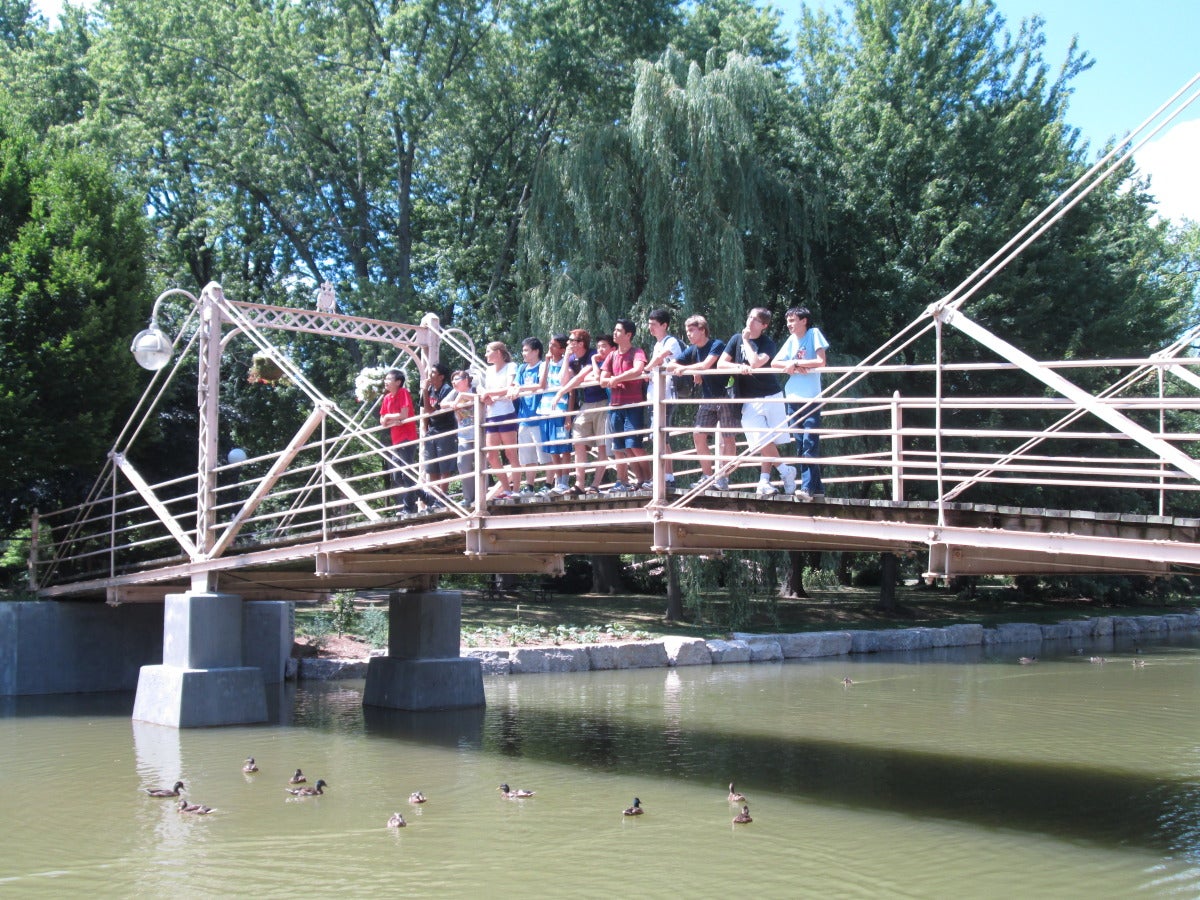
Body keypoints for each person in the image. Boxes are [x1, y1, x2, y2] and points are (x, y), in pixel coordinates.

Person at [719, 307, 797, 496]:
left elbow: (755, 363)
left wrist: (747, 341)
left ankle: (764, 481)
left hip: (771, 395)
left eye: (755, 320)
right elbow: (721, 364)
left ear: (764, 325)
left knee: (769, 441)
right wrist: (738, 366)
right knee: (760, 440)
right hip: (749, 399)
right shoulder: (736, 339)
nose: (750, 321)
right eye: (749, 317)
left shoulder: (767, 343)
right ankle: (786, 470)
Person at [665, 315, 738, 489]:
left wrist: (688, 369)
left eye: (691, 330)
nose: (688, 334)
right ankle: (707, 475)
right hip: (707, 398)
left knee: (728, 438)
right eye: (687, 331)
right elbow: (670, 365)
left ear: (702, 330)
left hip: (725, 396)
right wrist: (693, 370)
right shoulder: (692, 350)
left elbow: (706, 364)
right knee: (698, 434)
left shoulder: (716, 344)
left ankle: (723, 478)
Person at [773, 306, 829, 500]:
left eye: (793, 320)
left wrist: (796, 363)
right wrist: (791, 364)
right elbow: (774, 363)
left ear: (804, 321)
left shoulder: (813, 333)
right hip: (792, 397)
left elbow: (821, 361)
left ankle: (806, 489)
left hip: (810, 398)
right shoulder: (791, 341)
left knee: (809, 443)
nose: (789, 324)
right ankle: (817, 488)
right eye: (788, 321)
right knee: (800, 444)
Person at [554, 329, 611, 494]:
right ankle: (579, 485)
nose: (568, 343)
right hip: (586, 403)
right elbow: (563, 380)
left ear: (581, 343)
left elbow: (583, 377)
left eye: (572, 340)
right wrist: (566, 358)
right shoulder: (572, 358)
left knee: (602, 445)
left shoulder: (593, 354)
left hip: (603, 402)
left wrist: (562, 392)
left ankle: (595, 485)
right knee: (578, 440)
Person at [599, 318, 650, 491]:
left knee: (634, 445)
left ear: (629, 335)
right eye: (615, 330)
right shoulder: (612, 355)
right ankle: (639, 481)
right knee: (622, 447)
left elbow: (638, 370)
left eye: (619, 331)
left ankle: (650, 479)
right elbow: (602, 379)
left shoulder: (637, 352)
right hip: (615, 405)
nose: (615, 333)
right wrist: (610, 380)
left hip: (633, 404)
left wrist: (616, 379)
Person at [644, 309, 684, 487]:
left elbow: (659, 360)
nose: (650, 328)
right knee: (659, 436)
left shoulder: (671, 342)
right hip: (656, 396)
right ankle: (666, 476)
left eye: (653, 324)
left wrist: (647, 369)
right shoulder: (657, 344)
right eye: (649, 324)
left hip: (666, 395)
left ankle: (665, 477)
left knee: (661, 436)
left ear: (664, 325)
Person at [478, 341, 519, 498]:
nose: (486, 354)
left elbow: (509, 388)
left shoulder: (511, 366)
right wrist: (487, 395)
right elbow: (485, 391)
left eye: (488, 351)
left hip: (506, 412)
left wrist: (490, 394)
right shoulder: (488, 371)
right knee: (491, 455)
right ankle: (506, 488)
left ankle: (516, 490)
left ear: (499, 352)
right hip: (492, 414)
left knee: (511, 453)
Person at [508, 337, 548, 495]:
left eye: (526, 350)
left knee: (544, 453)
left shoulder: (542, 366)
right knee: (527, 456)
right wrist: (514, 388)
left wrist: (520, 388)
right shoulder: (522, 369)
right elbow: (515, 385)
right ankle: (529, 486)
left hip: (539, 415)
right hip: (524, 417)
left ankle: (549, 484)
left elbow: (541, 385)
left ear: (536, 351)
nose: (523, 353)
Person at [379, 368, 420, 514]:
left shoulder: (403, 393)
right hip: (396, 440)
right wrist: (390, 419)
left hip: (407, 437)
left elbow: (403, 415)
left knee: (406, 473)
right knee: (397, 475)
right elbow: (382, 421)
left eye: (389, 379)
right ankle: (425, 496)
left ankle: (409, 508)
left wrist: (389, 417)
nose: (386, 381)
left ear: (398, 382)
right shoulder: (387, 398)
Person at [538, 334, 573, 495]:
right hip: (545, 410)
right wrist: (546, 362)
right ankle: (558, 481)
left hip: (560, 410)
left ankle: (565, 481)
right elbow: (542, 384)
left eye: (553, 345)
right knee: (552, 449)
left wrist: (568, 416)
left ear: (562, 349)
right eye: (549, 345)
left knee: (564, 448)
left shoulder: (567, 365)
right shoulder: (546, 364)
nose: (550, 348)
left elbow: (570, 391)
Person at [441, 369, 478, 507]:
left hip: (479, 432)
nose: (453, 382)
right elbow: (442, 404)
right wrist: (453, 403)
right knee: (462, 465)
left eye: (456, 379)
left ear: (466, 380)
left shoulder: (475, 388)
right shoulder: (454, 392)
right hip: (464, 434)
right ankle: (468, 498)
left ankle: (482, 496)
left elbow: (480, 397)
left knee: (482, 465)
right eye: (452, 380)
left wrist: (461, 396)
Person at [420, 362, 456, 506]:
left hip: (445, 430)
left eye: (433, 372)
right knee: (432, 467)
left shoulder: (446, 390)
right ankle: (435, 498)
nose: (430, 374)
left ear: (441, 376)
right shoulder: (430, 389)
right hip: (432, 431)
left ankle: (443, 497)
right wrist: (424, 430)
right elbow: (425, 413)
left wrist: (424, 391)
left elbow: (430, 410)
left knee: (444, 466)